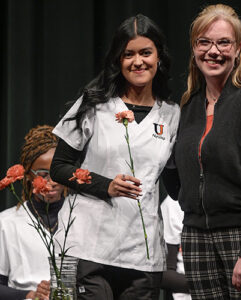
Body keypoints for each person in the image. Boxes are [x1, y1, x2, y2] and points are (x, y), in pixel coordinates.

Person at [162, 4, 241, 299]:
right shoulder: (188, 108)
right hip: (196, 238)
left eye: (223, 42)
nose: (213, 51)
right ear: (194, 48)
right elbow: (178, 178)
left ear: (238, 49)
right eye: (204, 42)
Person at [50, 14, 180, 300]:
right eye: (128, 54)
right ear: (117, 61)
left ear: (159, 57)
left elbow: (174, 182)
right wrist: (104, 184)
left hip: (143, 257)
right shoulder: (93, 104)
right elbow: (58, 168)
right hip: (87, 249)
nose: (138, 61)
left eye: (146, 52)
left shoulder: (172, 114)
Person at [0, 125, 65, 300]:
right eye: (43, 174)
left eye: (57, 173)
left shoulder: (81, 217)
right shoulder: (7, 223)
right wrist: (30, 294)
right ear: (27, 175)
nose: (50, 182)